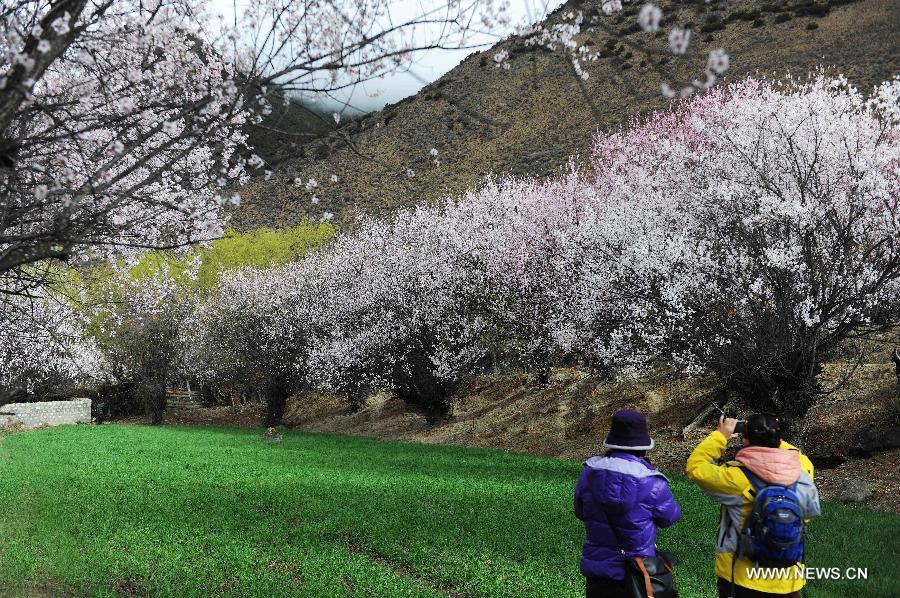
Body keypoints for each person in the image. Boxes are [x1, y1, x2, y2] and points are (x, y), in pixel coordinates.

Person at [686, 414, 821, 598]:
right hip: (788, 579)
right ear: (779, 438)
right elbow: (806, 513)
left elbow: (696, 467)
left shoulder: (735, 478)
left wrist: (720, 435)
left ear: (744, 439)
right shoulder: (802, 470)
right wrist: (771, 433)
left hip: (742, 577)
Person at [574, 408, 681, 598]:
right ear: (643, 446)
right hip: (636, 574)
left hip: (597, 573)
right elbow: (670, 517)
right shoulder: (654, 482)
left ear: (611, 442)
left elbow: (580, 512)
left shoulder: (588, 474)